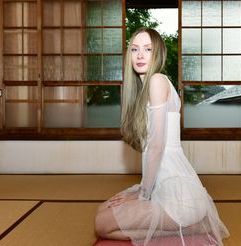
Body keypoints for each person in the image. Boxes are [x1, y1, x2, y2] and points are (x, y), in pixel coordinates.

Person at [94, 27, 229, 246]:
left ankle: (189, 228)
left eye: (147, 49)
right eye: (135, 49)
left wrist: (143, 197)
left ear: (158, 54)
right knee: (104, 209)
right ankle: (185, 226)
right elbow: (151, 154)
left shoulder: (157, 80)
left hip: (178, 196)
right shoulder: (145, 88)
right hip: (163, 186)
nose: (139, 55)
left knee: (102, 224)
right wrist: (140, 189)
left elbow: (156, 147)